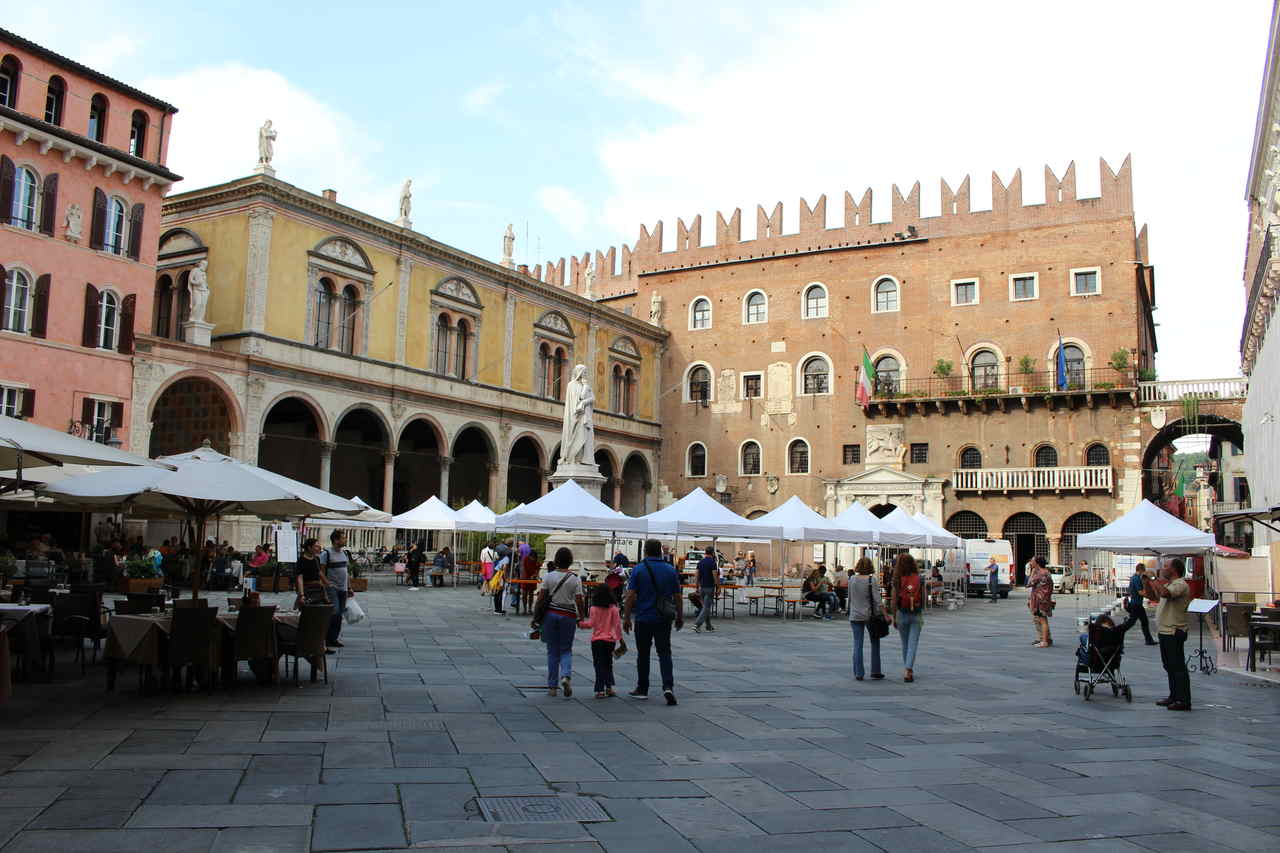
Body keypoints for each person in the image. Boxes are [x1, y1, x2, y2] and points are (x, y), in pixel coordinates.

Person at [624, 539, 682, 705]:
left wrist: (627, 617)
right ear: (660, 552)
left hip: (643, 617)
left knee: (643, 654)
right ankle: (668, 686)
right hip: (663, 617)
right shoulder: (670, 570)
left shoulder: (639, 569)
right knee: (664, 652)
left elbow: (630, 595)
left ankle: (642, 688)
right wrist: (679, 616)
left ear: (646, 552)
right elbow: (677, 595)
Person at [534, 547, 586, 698]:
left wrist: (535, 618)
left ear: (556, 560)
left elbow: (541, 598)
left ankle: (552, 687)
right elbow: (579, 600)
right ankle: (565, 676)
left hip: (551, 615)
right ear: (570, 561)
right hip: (568, 616)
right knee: (566, 649)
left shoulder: (549, 576)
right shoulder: (575, 579)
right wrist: (581, 616)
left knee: (552, 651)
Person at [1146, 558, 1192, 711]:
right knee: (1169, 666)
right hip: (1165, 630)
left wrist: (1154, 578)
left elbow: (1165, 594)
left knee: (1177, 666)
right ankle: (1174, 695)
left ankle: (1183, 700)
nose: (1163, 568)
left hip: (1174, 631)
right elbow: (1154, 597)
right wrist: (1148, 582)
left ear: (1174, 569)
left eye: (1166, 566)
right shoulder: (1170, 584)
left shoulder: (1180, 584)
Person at [579, 584, 623, 698]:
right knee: (608, 664)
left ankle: (599, 690)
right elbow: (617, 625)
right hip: (610, 640)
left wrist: (581, 624)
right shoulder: (614, 608)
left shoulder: (593, 608)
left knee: (598, 664)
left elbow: (591, 624)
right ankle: (609, 687)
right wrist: (620, 639)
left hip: (597, 640)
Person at [888, 553, 924, 682]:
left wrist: (894, 615)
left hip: (902, 613)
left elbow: (893, 600)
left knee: (905, 643)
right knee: (913, 643)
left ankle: (907, 669)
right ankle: (908, 669)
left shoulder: (897, 579)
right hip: (916, 613)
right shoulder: (919, 578)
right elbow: (924, 597)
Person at [848, 557, 885, 681]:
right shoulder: (871, 579)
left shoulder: (852, 579)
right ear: (870, 567)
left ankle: (859, 673)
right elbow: (877, 600)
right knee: (875, 642)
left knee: (857, 644)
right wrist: (885, 613)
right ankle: (875, 670)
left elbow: (850, 597)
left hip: (855, 614)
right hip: (869, 615)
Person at [320, 531, 353, 651]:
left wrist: (349, 587)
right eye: (343, 538)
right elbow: (321, 571)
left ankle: (333, 638)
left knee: (340, 614)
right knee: (335, 612)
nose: (345, 540)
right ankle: (327, 638)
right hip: (332, 588)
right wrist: (327, 585)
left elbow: (346, 571)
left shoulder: (344, 553)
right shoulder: (326, 553)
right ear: (335, 540)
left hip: (343, 588)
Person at [1122, 562, 1157, 645]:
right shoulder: (1137, 578)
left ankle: (1149, 640)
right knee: (1133, 622)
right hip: (1136, 604)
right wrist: (1151, 597)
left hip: (1135, 604)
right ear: (1141, 570)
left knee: (1141, 622)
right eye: (1144, 571)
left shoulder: (1133, 577)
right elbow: (1140, 592)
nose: (1144, 573)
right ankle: (1117, 633)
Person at [295, 538, 331, 614]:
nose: (318, 548)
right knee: (307, 613)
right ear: (309, 547)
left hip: (318, 590)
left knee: (319, 613)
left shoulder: (316, 559)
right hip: (307, 591)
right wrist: (301, 595)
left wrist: (328, 584)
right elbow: (300, 578)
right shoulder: (301, 560)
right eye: (316, 546)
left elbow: (320, 573)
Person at [1027, 555, 1055, 648]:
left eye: (1032, 561)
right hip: (1044, 599)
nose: (1031, 563)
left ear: (1037, 563)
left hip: (1040, 600)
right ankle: (1046, 639)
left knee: (1042, 620)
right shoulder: (1046, 572)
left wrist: (1032, 572)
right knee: (1040, 619)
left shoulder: (1040, 573)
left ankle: (1044, 641)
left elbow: (1028, 584)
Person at [693, 546, 719, 633]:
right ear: (712, 553)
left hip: (701, 587)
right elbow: (715, 576)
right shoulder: (713, 562)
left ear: (705, 552)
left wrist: (696, 586)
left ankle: (708, 626)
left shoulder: (700, 562)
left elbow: (696, 575)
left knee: (705, 607)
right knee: (706, 608)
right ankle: (697, 624)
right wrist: (718, 587)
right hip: (710, 587)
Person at [520, 547, 541, 612]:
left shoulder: (536, 560)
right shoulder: (526, 559)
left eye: (534, 558)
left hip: (533, 579)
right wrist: (529, 576)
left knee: (531, 593)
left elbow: (538, 568)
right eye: (532, 558)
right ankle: (524, 608)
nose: (533, 559)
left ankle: (529, 608)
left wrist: (535, 575)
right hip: (525, 578)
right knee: (524, 593)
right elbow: (524, 569)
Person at [490, 550, 510, 615]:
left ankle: (498, 609)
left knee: (498, 592)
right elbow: (504, 569)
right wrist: (506, 578)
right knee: (499, 592)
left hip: (497, 573)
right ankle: (498, 609)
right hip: (500, 575)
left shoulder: (504, 558)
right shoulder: (507, 559)